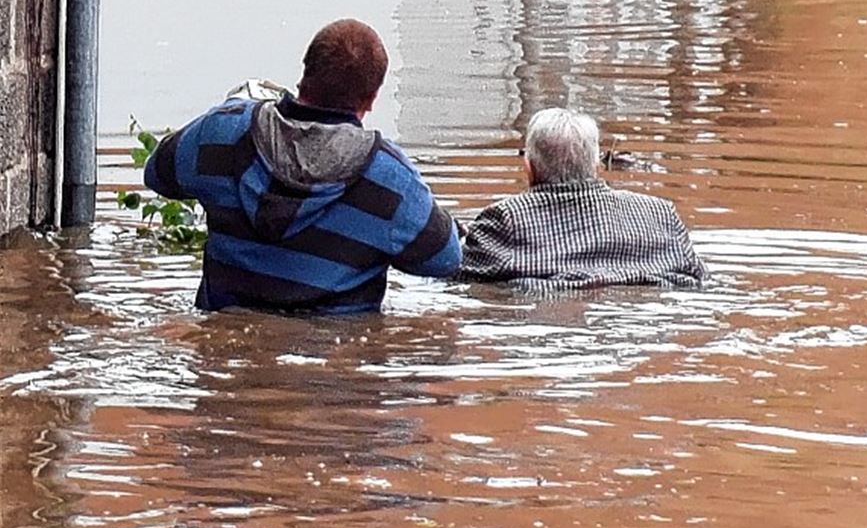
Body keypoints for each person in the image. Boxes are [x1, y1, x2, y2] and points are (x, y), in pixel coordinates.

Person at [144, 20, 460, 312]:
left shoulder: (221, 132)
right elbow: (445, 260)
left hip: (223, 350)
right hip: (334, 361)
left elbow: (158, 174)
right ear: (372, 99)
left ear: (304, 73)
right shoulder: (391, 180)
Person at [461, 107, 704, 288]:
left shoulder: (504, 220)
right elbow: (699, 278)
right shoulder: (660, 213)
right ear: (597, 165)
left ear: (529, 168)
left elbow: (460, 277)